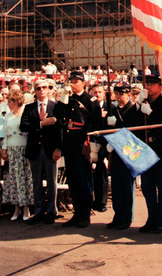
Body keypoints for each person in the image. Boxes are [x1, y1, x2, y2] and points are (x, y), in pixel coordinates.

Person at [58, 71, 102, 228]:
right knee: (73, 181)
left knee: (84, 181)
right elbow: (59, 115)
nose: (74, 83)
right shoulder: (68, 99)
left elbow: (96, 126)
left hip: (83, 144)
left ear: (84, 83)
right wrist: (64, 96)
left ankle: (85, 215)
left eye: (77, 81)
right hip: (70, 144)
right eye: (72, 81)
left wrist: (94, 150)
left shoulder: (90, 101)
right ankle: (77, 214)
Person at [20, 80, 62, 225]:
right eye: (38, 88)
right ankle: (38, 212)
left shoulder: (55, 106)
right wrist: (40, 124)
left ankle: (51, 211)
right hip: (35, 150)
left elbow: (60, 130)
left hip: (51, 150)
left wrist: (58, 148)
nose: (42, 90)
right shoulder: (29, 107)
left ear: (49, 90)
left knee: (51, 182)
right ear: (35, 91)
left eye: (45, 88)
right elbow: (23, 126)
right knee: (36, 182)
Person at [138, 75, 162, 234]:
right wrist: (138, 104)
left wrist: (151, 113)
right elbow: (133, 122)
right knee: (147, 186)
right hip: (145, 147)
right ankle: (151, 218)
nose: (149, 87)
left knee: (161, 186)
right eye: (146, 84)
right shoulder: (142, 103)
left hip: (160, 148)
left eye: (152, 84)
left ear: (160, 87)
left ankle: (160, 221)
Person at [105, 81, 143, 230]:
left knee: (127, 186)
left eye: (121, 94)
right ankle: (117, 216)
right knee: (116, 186)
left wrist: (117, 126)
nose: (118, 97)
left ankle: (127, 217)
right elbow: (106, 129)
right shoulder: (112, 110)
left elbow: (134, 132)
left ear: (128, 95)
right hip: (115, 153)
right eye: (116, 94)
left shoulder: (134, 110)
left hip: (128, 152)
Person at [3, 89, 34, 221]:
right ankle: (16, 208)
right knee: (13, 179)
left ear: (16, 101)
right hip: (11, 149)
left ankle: (26, 207)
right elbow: (4, 134)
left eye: (10, 101)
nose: (8, 104)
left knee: (25, 178)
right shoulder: (7, 116)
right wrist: (4, 150)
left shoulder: (25, 114)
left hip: (24, 149)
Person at [89, 83, 109, 213]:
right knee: (90, 174)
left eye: (100, 92)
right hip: (91, 144)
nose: (97, 95)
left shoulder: (110, 107)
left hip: (105, 144)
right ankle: (91, 201)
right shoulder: (89, 106)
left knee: (102, 175)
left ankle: (101, 202)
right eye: (95, 92)